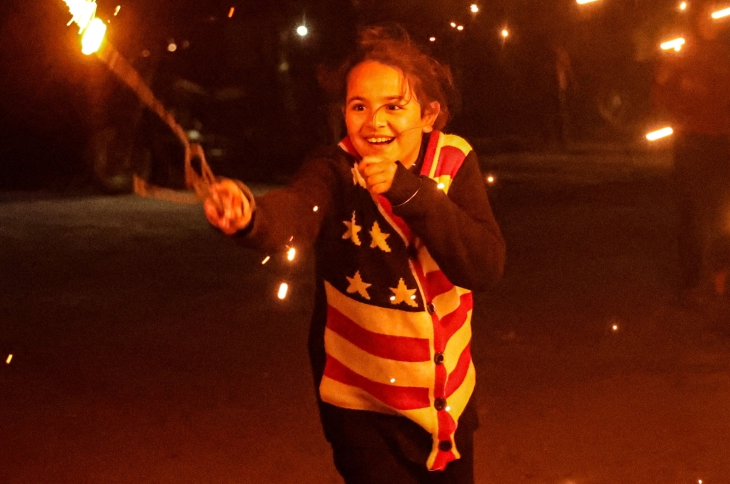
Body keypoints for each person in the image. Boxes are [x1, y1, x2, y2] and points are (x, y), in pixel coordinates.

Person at [204, 26, 505, 483]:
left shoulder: (454, 162)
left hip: (449, 403)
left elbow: (484, 265)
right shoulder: (335, 169)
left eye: (393, 107)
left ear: (429, 115)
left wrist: (410, 192)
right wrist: (250, 218)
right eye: (359, 106)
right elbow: (296, 211)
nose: (374, 122)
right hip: (361, 407)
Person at [653, 3, 730, 296]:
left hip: (718, 140)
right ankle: (690, 278)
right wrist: (676, 116)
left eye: (715, 18)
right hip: (691, 142)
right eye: (706, 17)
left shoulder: (724, 55)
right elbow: (660, 90)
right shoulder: (681, 52)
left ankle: (723, 272)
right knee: (690, 212)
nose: (712, 23)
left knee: (724, 209)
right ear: (696, 20)